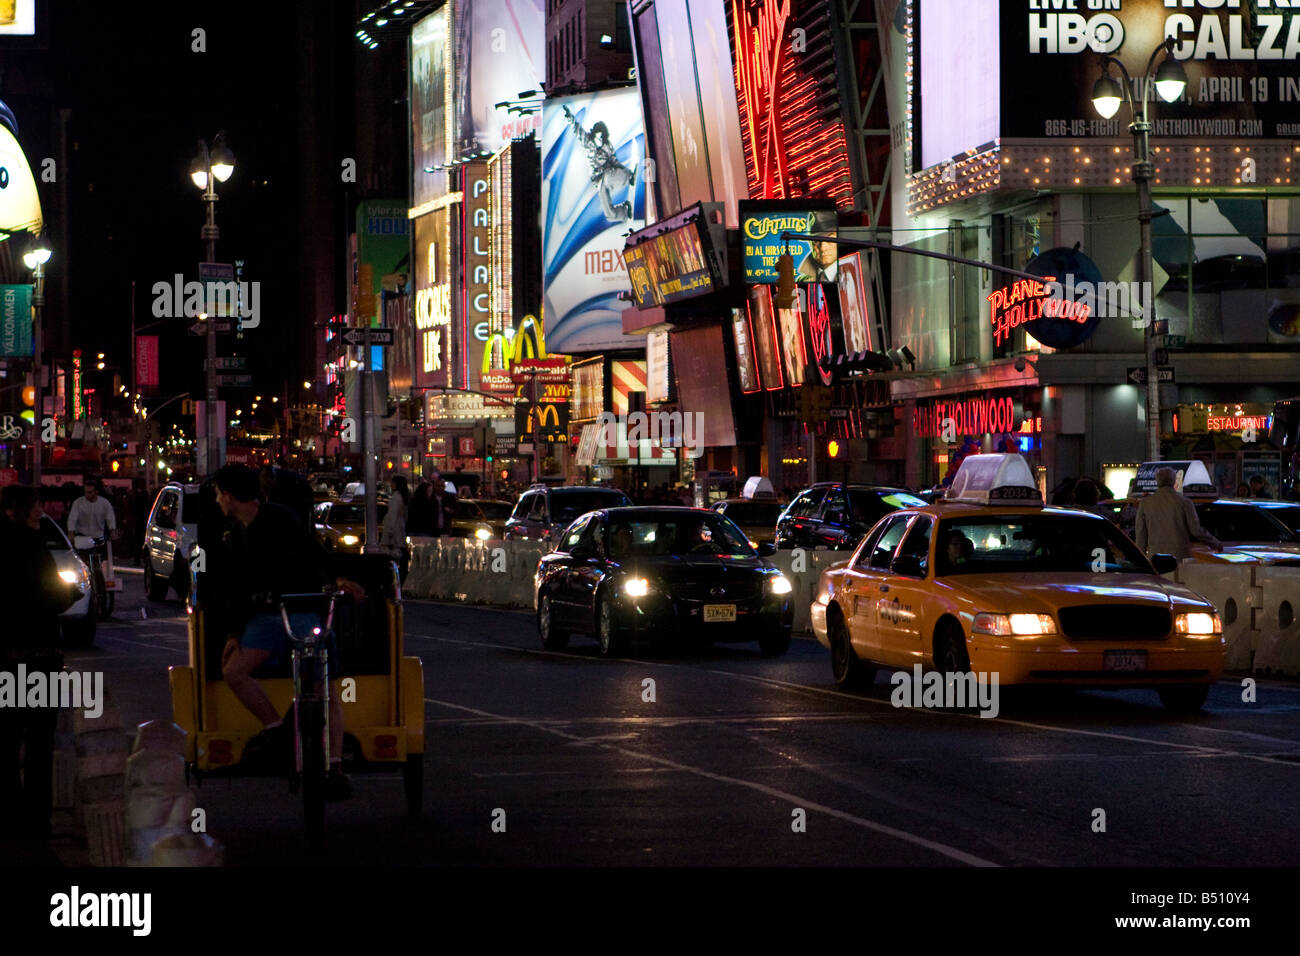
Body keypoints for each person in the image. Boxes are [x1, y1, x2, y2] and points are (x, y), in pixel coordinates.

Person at [212, 464, 362, 801]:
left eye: (219, 494)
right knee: (234, 671)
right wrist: (234, 634)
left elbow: (313, 552)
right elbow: (235, 591)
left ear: (230, 496)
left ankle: (335, 765)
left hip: (302, 611)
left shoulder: (280, 518)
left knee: (325, 690)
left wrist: (338, 579)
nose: (218, 500)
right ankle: (276, 730)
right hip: (266, 619)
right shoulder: (233, 535)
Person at [0, 485, 81, 842]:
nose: (40, 511)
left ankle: (12, 815)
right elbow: (48, 595)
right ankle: (34, 819)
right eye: (33, 506)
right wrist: (68, 595)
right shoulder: (30, 548)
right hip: (38, 656)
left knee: (7, 738)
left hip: (9, 658)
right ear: (16, 510)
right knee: (38, 742)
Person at [562, 104, 636, 222]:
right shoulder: (588, 142)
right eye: (598, 137)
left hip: (610, 175)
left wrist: (628, 173)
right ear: (594, 134)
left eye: (602, 138)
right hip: (598, 181)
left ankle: (627, 177)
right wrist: (569, 116)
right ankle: (623, 212)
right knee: (609, 215)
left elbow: (614, 161)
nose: (600, 141)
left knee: (609, 176)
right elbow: (577, 129)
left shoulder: (607, 145)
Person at [1135, 467, 1222, 561]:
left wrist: (1140, 560)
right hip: (1180, 557)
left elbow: (1141, 536)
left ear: (1157, 481)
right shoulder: (1185, 502)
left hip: (1156, 558)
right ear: (1174, 481)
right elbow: (1196, 530)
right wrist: (1215, 543)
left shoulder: (1146, 503)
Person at [67, 478, 118, 543]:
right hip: (82, 537)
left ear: (96, 491)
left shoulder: (104, 503)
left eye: (90, 492)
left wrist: (112, 530)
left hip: (98, 537)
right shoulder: (78, 503)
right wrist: (70, 532)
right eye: (85, 492)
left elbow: (110, 518)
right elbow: (72, 518)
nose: (87, 495)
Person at [380, 475, 410, 581]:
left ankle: (393, 580)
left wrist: (390, 532)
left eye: (392, 482)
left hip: (394, 532)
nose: (391, 484)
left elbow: (392, 516)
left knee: (390, 557)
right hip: (400, 530)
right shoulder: (403, 497)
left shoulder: (395, 498)